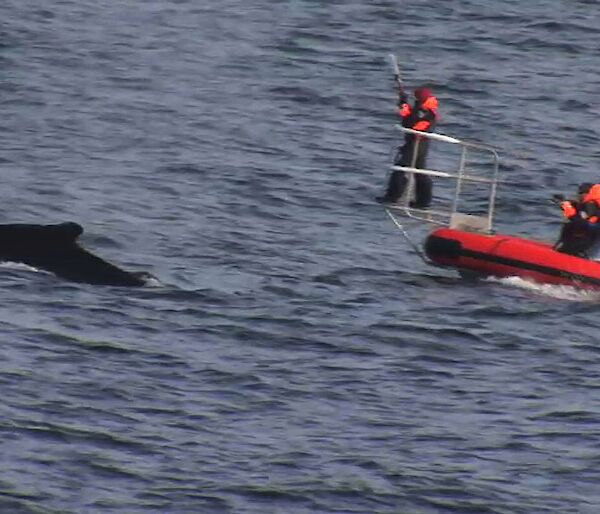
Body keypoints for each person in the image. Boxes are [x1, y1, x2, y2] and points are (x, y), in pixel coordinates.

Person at [377, 85, 440, 207]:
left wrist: (406, 108)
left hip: (417, 144)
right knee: (419, 171)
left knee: (400, 169)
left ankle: (393, 196)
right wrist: (403, 103)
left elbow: (412, 125)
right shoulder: (423, 110)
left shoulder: (427, 114)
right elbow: (407, 117)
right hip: (418, 144)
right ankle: (422, 202)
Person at [554, 182, 600, 258]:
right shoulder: (592, 204)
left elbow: (583, 223)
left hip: (587, 239)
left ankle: (567, 251)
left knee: (571, 224)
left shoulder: (590, 204)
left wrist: (568, 210)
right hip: (592, 241)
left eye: (579, 193)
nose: (578, 196)